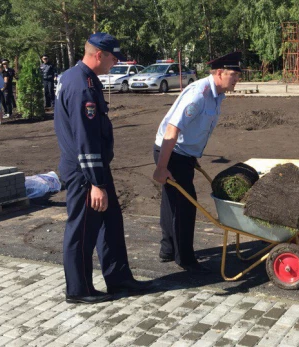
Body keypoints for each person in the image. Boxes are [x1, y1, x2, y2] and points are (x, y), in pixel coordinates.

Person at [54, 32, 153, 304]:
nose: (115, 63)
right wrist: (96, 183)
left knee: (110, 222)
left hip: (93, 168)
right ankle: (79, 289)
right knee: (83, 228)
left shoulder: (77, 77)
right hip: (86, 171)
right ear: (99, 55)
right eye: (113, 58)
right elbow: (85, 139)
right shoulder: (82, 85)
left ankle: (119, 278)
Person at [152, 52, 242, 274]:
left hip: (183, 154)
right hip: (172, 152)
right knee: (185, 205)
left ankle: (168, 249)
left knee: (171, 201)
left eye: (239, 75)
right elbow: (172, 131)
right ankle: (185, 259)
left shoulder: (216, 94)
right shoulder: (199, 95)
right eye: (234, 74)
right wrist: (162, 167)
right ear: (219, 72)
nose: (237, 79)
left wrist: (191, 157)